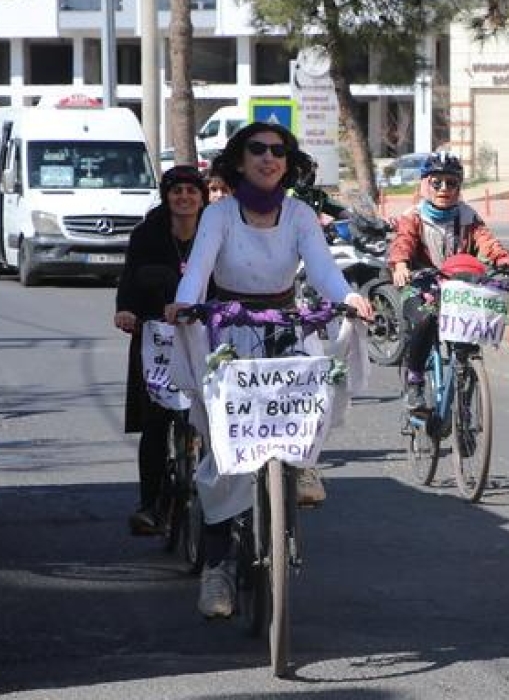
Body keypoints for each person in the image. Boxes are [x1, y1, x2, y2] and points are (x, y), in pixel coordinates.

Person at [164, 122, 372, 620]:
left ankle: (300, 462)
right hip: (228, 331)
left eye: (278, 151)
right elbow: (197, 272)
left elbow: (321, 268)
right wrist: (185, 304)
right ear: (239, 160)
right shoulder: (218, 215)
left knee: (310, 390)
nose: (268, 157)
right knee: (224, 453)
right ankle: (217, 570)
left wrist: (347, 298)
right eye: (257, 150)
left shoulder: (299, 213)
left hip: (285, 325)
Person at [113, 165, 208, 536]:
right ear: (167, 196)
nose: (184, 197)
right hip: (156, 335)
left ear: (202, 197)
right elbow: (130, 276)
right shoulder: (147, 234)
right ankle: (150, 505)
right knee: (156, 424)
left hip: (205, 333)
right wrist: (126, 310)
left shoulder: (214, 232)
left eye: (191, 190)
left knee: (213, 418)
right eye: (176, 191)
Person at [388, 152, 509, 412]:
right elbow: (403, 242)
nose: (444, 189)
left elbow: (487, 242)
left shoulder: (468, 216)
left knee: (468, 337)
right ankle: (415, 379)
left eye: (451, 183)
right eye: (436, 182)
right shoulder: (413, 216)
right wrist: (401, 264)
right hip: (420, 282)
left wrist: (507, 263)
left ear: (459, 187)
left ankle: (465, 396)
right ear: (424, 184)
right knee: (425, 319)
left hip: (458, 284)